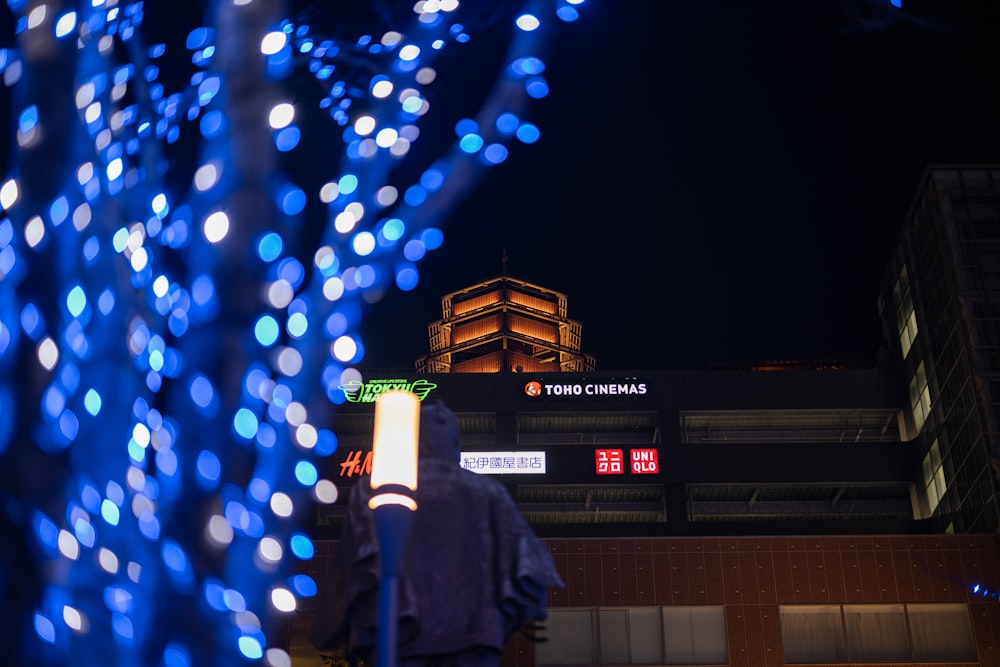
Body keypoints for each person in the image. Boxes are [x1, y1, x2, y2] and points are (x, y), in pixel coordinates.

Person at [310, 400, 564, 667]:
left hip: (399, 629)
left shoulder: (378, 489)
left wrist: (334, 625)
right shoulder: (489, 492)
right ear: (457, 445)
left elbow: (350, 564)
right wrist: (526, 610)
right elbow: (529, 564)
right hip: (473, 635)